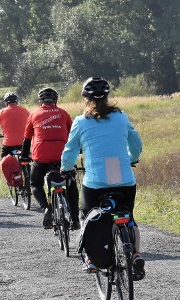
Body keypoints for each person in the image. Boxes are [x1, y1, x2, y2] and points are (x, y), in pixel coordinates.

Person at [60, 77, 144, 279]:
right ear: (107, 97)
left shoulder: (81, 122)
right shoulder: (121, 117)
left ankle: (90, 258)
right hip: (123, 177)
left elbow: (70, 150)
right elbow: (135, 142)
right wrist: (132, 158)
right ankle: (135, 254)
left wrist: (66, 167)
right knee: (128, 217)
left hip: (96, 182)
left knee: (86, 215)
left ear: (85, 99)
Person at [21, 87, 79, 229]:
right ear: (55, 101)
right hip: (62, 156)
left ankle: (46, 208)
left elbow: (27, 139)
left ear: (40, 101)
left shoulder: (34, 114)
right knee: (71, 184)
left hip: (41, 157)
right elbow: (73, 135)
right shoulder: (63, 113)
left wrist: (24, 156)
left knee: (35, 183)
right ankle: (75, 219)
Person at [0, 92, 30, 158]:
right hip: (23, 144)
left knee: (5, 163)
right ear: (16, 102)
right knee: (26, 159)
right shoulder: (24, 110)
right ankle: (26, 167)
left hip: (8, 145)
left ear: (6, 103)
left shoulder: (1, 112)